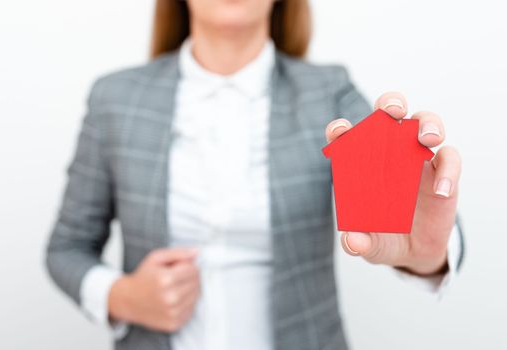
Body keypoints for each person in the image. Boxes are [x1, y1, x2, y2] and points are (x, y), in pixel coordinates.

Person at [46, 0, 463, 349]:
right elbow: (66, 248)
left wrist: (427, 255)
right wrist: (122, 297)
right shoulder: (114, 99)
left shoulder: (330, 92)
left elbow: (413, 219)